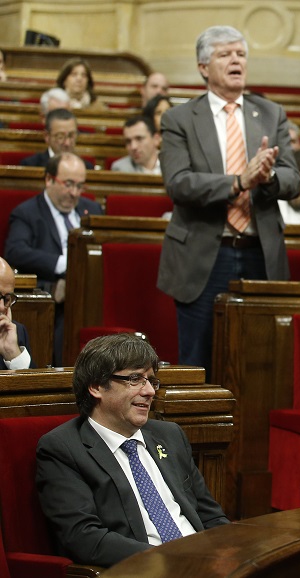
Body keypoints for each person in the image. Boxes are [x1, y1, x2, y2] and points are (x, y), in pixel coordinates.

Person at [156, 25, 299, 376]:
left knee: (260, 359)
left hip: (260, 253)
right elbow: (178, 183)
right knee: (198, 359)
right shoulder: (179, 119)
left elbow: (293, 178)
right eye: (225, 54)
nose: (236, 60)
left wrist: (267, 178)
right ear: (204, 67)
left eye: (241, 54)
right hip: (206, 252)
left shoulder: (270, 113)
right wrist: (238, 182)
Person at [35, 333, 229, 567]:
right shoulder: (63, 449)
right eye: (135, 379)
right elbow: (85, 539)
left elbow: (211, 516)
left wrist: (230, 552)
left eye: (151, 381)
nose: (149, 391)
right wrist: (172, 558)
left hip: (203, 564)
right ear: (96, 386)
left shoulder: (170, 436)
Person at [5, 153, 103, 366]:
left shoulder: (92, 210)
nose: (74, 193)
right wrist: (66, 264)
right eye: (68, 184)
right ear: (49, 179)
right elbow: (15, 251)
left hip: (92, 296)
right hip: (54, 300)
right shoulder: (27, 213)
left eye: (80, 186)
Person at [19, 108, 94, 169]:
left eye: (71, 135)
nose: (67, 143)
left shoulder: (86, 167)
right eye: (60, 137)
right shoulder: (31, 165)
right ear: (47, 136)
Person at [0, 257, 32, 369]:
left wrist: (12, 353)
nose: (1, 307)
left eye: (7, 299)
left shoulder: (16, 333)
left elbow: (33, 385)